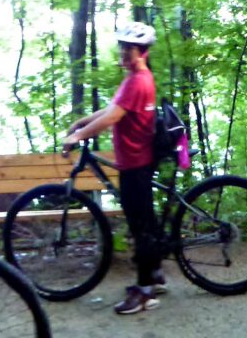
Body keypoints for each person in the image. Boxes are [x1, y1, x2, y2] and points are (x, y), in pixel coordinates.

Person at [58, 20, 169, 315]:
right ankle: (155, 274)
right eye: (122, 47)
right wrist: (82, 122)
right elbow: (112, 109)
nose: (123, 52)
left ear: (142, 52)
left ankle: (145, 292)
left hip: (136, 163)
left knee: (140, 227)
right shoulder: (135, 78)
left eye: (129, 48)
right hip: (135, 161)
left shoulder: (138, 81)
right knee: (144, 222)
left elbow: (111, 118)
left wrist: (78, 136)